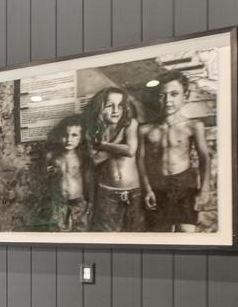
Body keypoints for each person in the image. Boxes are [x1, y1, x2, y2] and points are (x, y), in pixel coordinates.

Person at [140, 70, 210, 232]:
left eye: (174, 94)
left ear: (185, 96)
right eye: (162, 95)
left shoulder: (193, 126)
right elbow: (140, 161)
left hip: (184, 185)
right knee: (160, 232)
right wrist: (147, 189)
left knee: (187, 232)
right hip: (158, 185)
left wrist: (204, 189)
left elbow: (204, 157)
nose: (168, 100)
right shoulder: (145, 130)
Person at [84, 87, 148, 232]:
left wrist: (103, 145)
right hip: (107, 193)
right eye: (109, 105)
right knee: (108, 235)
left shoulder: (130, 124)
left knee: (136, 235)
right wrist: (120, 144)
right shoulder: (92, 129)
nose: (115, 110)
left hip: (134, 192)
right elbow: (95, 160)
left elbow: (130, 151)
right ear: (99, 108)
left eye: (120, 105)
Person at [46, 116, 90, 232]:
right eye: (65, 135)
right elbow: (47, 178)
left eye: (74, 135)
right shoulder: (52, 156)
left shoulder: (82, 157)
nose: (68, 139)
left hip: (78, 200)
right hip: (59, 201)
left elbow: (89, 180)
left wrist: (90, 201)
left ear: (81, 138)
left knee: (80, 230)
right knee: (58, 231)